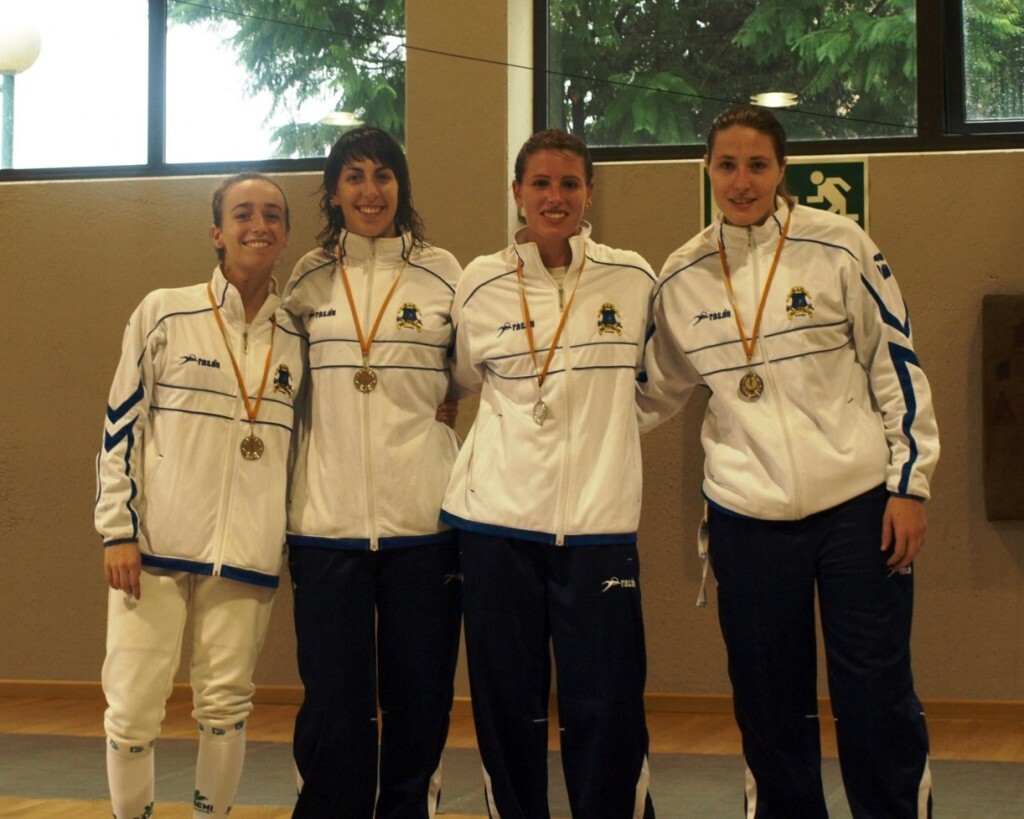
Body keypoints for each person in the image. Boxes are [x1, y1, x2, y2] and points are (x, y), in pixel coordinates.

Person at [638, 104, 940, 817]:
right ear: (708, 169)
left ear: (782, 171)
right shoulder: (682, 275)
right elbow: (650, 393)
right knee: (769, 702)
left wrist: (910, 484)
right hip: (748, 516)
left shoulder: (840, 246)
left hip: (859, 506)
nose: (742, 182)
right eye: (727, 165)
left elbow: (895, 365)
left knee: (875, 696)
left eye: (758, 165)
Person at [441, 129, 657, 819]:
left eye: (569, 184)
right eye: (540, 183)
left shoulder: (633, 278)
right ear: (517, 194)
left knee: (608, 703)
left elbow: (658, 383)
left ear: (590, 193)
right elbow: (461, 380)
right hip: (495, 523)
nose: (555, 197)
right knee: (509, 704)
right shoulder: (478, 281)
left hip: (598, 525)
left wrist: (607, 432)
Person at [95, 172, 305, 819]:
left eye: (272, 213)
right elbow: (119, 423)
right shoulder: (164, 311)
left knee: (225, 705)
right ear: (217, 231)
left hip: (246, 556)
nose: (258, 224)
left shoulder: (299, 336)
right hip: (151, 548)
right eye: (242, 213)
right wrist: (117, 528)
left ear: (285, 233)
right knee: (131, 707)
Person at [283, 126, 462, 818]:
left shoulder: (445, 272)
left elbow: (472, 371)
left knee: (421, 692)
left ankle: (409, 806)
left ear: (401, 187)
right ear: (333, 192)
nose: (369, 190)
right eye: (354, 176)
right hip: (325, 527)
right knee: (334, 696)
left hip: (424, 523)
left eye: (383, 175)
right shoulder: (305, 280)